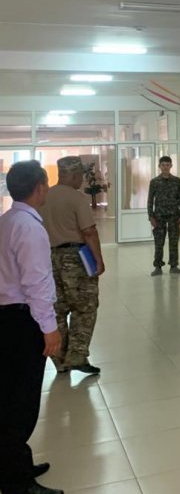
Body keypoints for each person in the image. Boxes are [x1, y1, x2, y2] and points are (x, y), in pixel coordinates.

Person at [0, 160, 64, 494]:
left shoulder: (8, 220)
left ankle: (17, 464)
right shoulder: (30, 228)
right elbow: (36, 284)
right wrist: (49, 329)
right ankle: (16, 484)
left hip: (8, 318)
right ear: (39, 187)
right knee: (20, 404)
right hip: (22, 321)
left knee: (10, 397)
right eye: (46, 183)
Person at [39, 155, 105, 376]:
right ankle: (77, 355)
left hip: (49, 258)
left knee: (57, 308)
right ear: (75, 175)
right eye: (81, 176)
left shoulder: (45, 196)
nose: (82, 180)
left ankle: (60, 359)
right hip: (76, 259)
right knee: (85, 306)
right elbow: (89, 231)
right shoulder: (77, 198)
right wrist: (98, 260)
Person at [147, 155, 180, 277]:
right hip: (159, 217)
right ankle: (157, 266)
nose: (165, 167)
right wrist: (151, 216)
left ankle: (174, 265)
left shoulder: (177, 181)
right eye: (163, 165)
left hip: (174, 216)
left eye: (167, 165)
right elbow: (150, 201)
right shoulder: (154, 182)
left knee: (173, 242)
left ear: (171, 166)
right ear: (159, 166)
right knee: (159, 243)